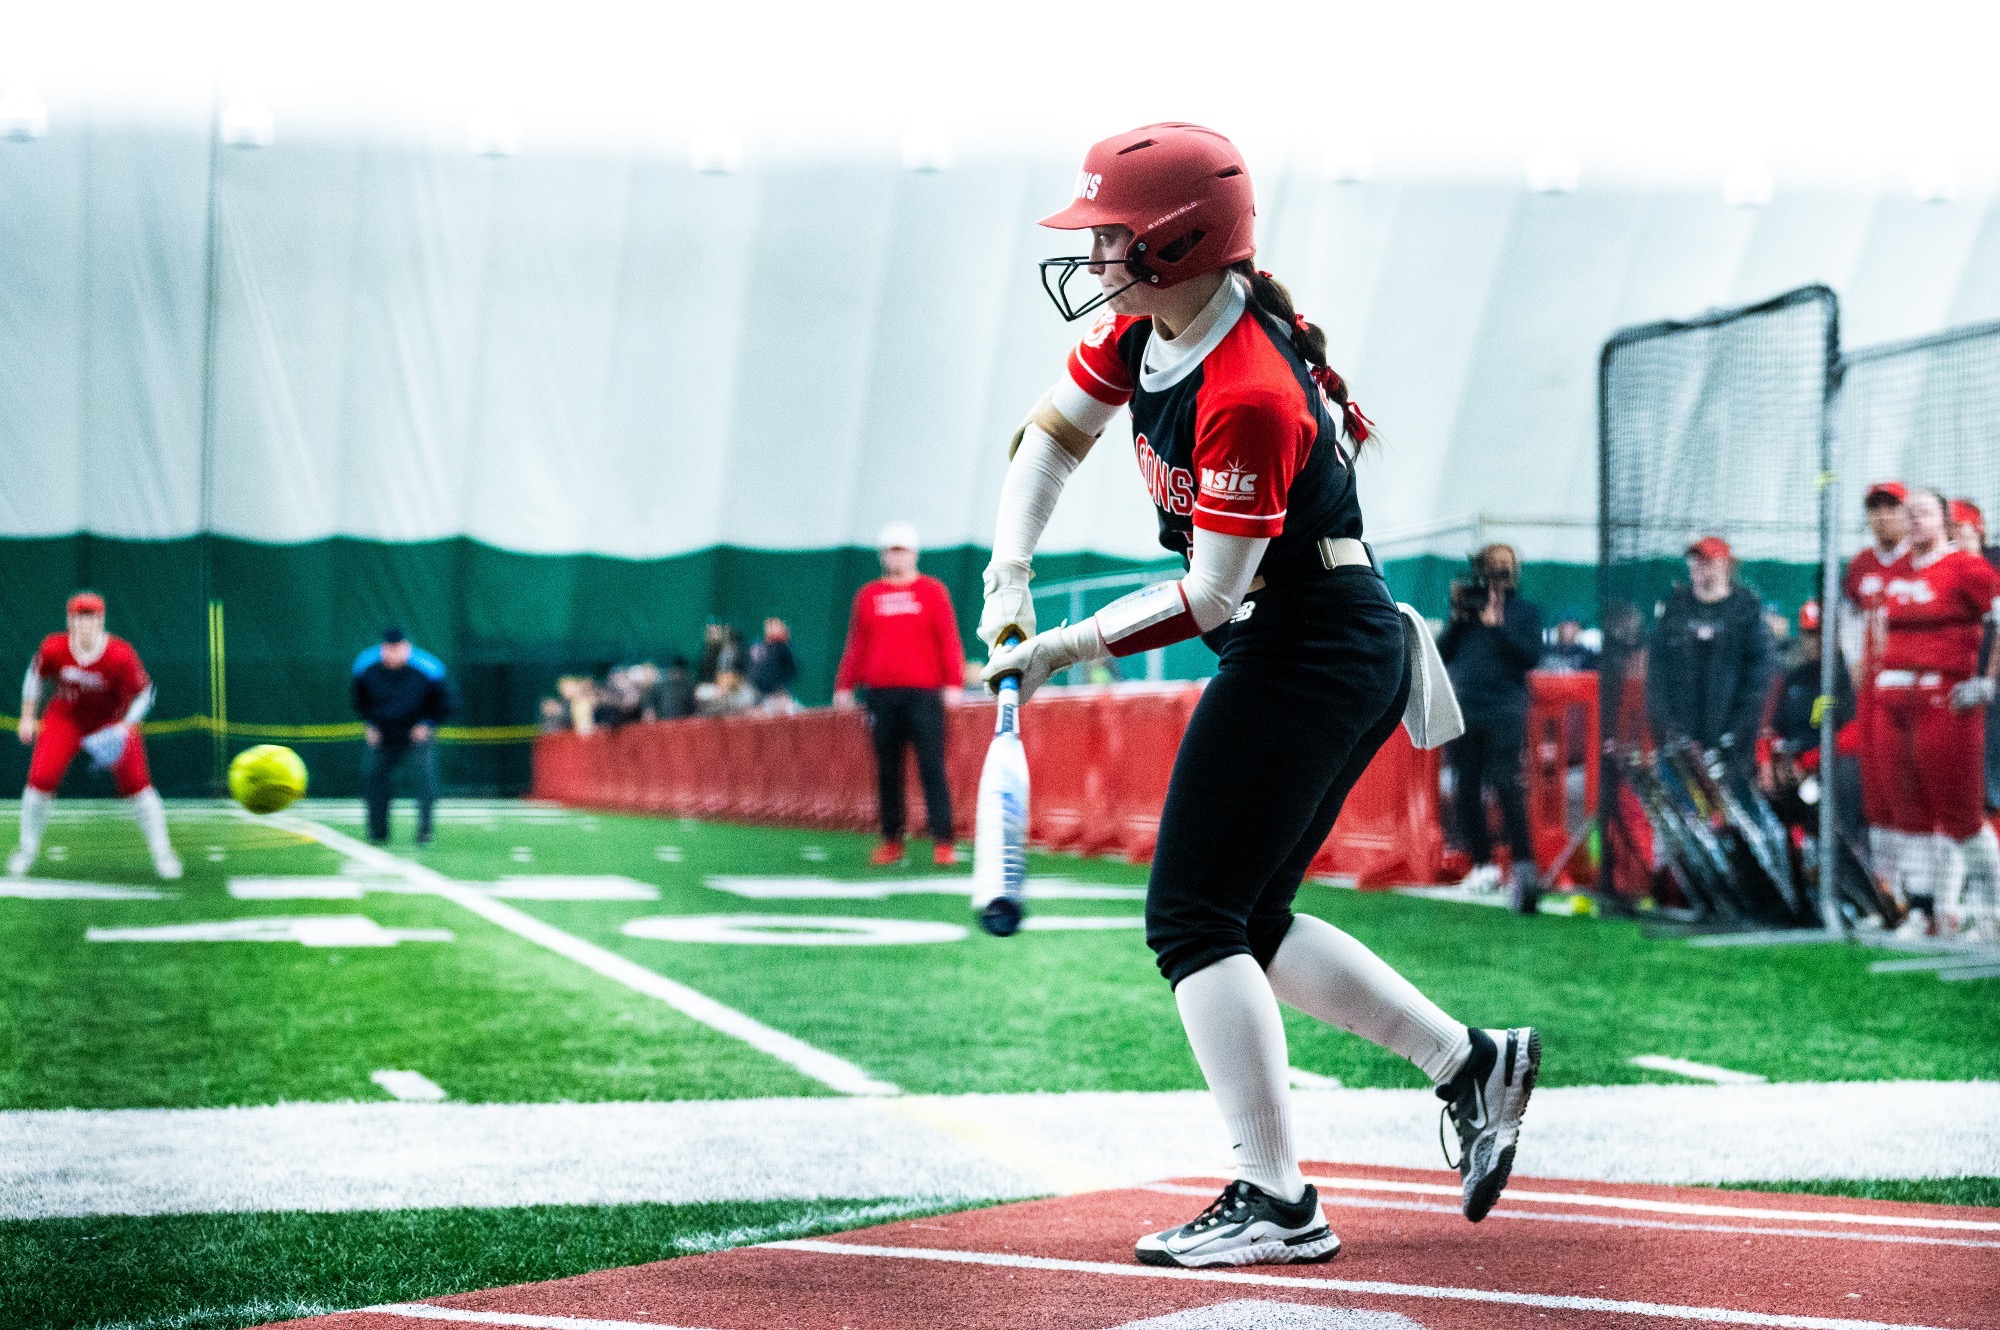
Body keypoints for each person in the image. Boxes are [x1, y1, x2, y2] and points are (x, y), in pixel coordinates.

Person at [977, 123, 1536, 1268]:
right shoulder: (1145, 328)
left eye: (1111, 237)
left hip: (1310, 645)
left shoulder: (1247, 391)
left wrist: (1055, 650)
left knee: (1191, 920)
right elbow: (1046, 444)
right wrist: (1006, 574)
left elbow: (1210, 595)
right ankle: (1470, 1065)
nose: (1092, 259)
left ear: (1178, 243)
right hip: (1302, 639)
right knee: (1247, 921)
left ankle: (1276, 1199)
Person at [1864, 489, 2000, 939]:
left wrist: (1989, 680)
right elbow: (1883, 626)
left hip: (1947, 701)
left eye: (1923, 513)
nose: (1915, 521)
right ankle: (1923, 912)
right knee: (1910, 814)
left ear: (1943, 520)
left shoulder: (1967, 568)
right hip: (1896, 702)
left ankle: (1991, 910)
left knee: (1961, 816)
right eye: (1910, 514)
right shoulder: (1897, 572)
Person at [8, 592, 180, 880]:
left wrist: (125, 726)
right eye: (79, 616)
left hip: (111, 721)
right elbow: (34, 676)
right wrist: (27, 716)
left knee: (139, 786)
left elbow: (145, 693)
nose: (85, 623)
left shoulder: (120, 654)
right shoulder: (54, 648)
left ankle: (163, 853)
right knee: (40, 780)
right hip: (67, 717)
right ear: (69, 620)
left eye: (91, 616)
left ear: (101, 620)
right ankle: (27, 850)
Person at [833, 522, 966, 867]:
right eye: (891, 550)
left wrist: (954, 683)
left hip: (925, 695)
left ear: (914, 553)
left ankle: (943, 841)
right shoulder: (868, 596)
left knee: (931, 767)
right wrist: (844, 684)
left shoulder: (933, 592)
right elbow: (857, 643)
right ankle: (892, 840)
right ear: (882, 555)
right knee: (888, 770)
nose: (896, 556)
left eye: (902, 550)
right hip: (881, 695)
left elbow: (948, 638)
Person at [1436, 544, 1544, 906]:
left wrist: (1499, 627)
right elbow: (1443, 652)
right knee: (1465, 786)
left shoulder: (1525, 611)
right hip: (1466, 705)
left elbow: (1530, 656)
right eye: (1492, 567)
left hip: (1505, 708)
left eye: (1505, 567)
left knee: (1505, 784)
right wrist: (1457, 618)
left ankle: (1524, 868)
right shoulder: (1469, 610)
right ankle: (1483, 865)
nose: (1498, 574)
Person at [1646, 536, 1774, 779]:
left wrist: (1734, 735)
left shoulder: (1746, 610)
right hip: (1679, 749)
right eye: (1695, 560)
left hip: (1732, 751)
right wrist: (1669, 732)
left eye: (1707, 561)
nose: (1698, 566)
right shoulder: (1676, 607)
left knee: (1729, 814)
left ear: (1725, 565)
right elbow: (1656, 677)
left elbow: (1758, 682)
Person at [351, 626, 451, 846]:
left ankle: (425, 831)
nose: (392, 653)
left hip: (417, 731)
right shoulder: (366, 665)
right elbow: (360, 701)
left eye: (397, 648)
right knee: (373, 776)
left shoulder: (428, 667)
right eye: (388, 648)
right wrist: (371, 724)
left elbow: (445, 704)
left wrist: (426, 724)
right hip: (383, 731)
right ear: (382, 648)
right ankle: (378, 832)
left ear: (407, 648)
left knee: (425, 778)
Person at [748, 618, 800, 712]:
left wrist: (780, 689)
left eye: (778, 626)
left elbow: (791, 669)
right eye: (771, 626)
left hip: (777, 693)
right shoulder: (759, 646)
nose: (774, 629)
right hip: (758, 693)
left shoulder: (783, 647)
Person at [1540, 608, 1598, 672]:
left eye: (1573, 626)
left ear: (1579, 629)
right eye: (1565, 625)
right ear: (1558, 627)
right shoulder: (1545, 653)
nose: (1569, 630)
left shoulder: (1587, 656)